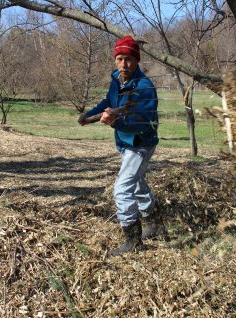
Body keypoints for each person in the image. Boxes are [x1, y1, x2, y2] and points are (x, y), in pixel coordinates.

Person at [78, 36, 167, 256]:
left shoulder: (144, 87)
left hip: (140, 143)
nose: (123, 64)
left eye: (128, 59)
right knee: (137, 183)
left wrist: (115, 122)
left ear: (136, 60)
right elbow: (108, 102)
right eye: (119, 59)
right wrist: (89, 115)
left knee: (122, 189)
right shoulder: (118, 80)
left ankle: (133, 240)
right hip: (127, 142)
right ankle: (154, 224)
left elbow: (141, 123)